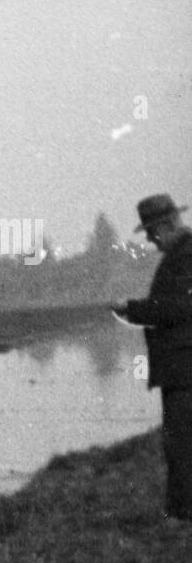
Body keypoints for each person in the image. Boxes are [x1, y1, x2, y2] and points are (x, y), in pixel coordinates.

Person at [113, 193, 192, 521]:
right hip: (180, 368)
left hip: (185, 368)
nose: (148, 238)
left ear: (170, 224)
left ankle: (182, 516)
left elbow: (178, 308)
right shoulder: (180, 254)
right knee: (179, 443)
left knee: (182, 445)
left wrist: (130, 309)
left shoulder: (186, 255)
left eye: (152, 230)